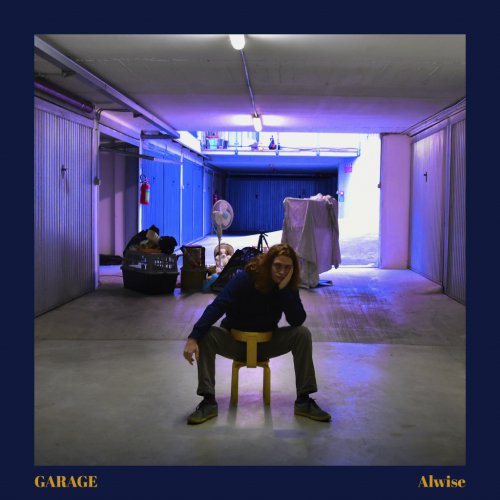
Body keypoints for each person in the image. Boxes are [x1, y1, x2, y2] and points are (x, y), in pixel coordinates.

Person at [183, 243, 331, 425]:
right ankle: (208, 401)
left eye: (287, 268)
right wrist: (193, 337)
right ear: (269, 264)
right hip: (235, 342)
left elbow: (297, 320)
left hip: (267, 343)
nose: (282, 272)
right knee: (206, 334)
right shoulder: (245, 278)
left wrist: (285, 291)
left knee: (302, 334)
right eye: (277, 266)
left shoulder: (287, 285)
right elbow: (218, 305)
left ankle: (303, 401)